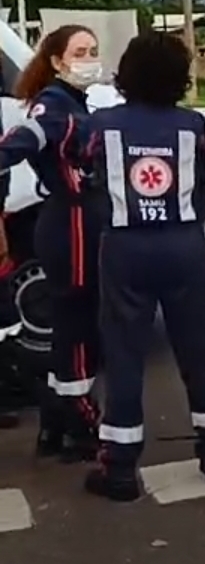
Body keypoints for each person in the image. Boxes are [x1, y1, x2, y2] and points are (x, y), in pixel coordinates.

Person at [79, 31, 205, 502]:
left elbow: (84, 170)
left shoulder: (102, 124)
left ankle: (120, 467)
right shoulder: (192, 124)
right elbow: (203, 173)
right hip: (184, 246)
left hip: (125, 247)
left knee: (124, 353)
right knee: (200, 347)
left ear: (126, 75)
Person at [0, 25, 103, 460]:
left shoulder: (73, 101)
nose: (89, 59)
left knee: (69, 325)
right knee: (78, 326)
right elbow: (26, 138)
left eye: (93, 50)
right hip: (71, 221)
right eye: (80, 52)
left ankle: (55, 423)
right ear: (57, 61)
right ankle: (80, 423)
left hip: (75, 220)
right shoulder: (55, 106)